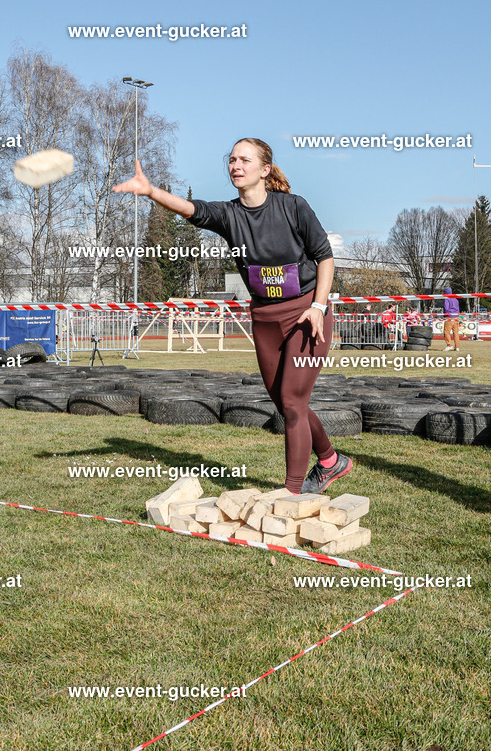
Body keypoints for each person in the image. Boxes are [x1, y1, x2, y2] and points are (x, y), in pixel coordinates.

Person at [113, 137, 352, 496]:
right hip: (264, 318)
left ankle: (291, 492)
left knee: (291, 401)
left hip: (306, 314)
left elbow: (325, 258)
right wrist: (150, 191)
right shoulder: (230, 215)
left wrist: (318, 307)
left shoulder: (293, 207)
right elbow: (192, 209)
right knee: (286, 402)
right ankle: (332, 462)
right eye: (232, 160)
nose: (235, 166)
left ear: (264, 170)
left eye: (244, 160)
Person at [442, 285, 461, 351]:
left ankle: (449, 345)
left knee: (446, 332)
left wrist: (445, 315)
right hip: (456, 317)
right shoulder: (456, 299)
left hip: (449, 317)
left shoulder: (447, 298)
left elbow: (446, 308)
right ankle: (457, 347)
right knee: (456, 333)